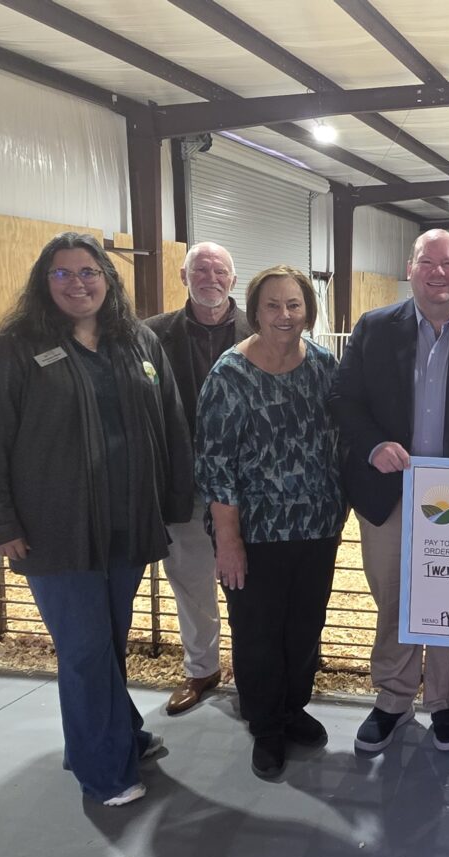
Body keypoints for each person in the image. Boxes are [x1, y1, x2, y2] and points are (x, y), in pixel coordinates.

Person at [0, 232, 192, 807]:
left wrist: (174, 500)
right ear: (44, 283)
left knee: (107, 643)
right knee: (85, 649)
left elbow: (171, 422)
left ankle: (111, 736)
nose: (78, 283)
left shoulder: (138, 341)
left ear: (108, 280)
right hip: (54, 528)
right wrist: (0, 524)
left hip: (126, 523)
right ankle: (105, 773)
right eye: (63, 273)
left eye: (89, 272)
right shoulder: (18, 348)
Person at [330, 229, 449, 755]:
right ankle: (393, 699)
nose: (439, 272)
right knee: (393, 596)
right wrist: (373, 445)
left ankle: (443, 700)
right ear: (410, 270)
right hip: (389, 492)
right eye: (427, 262)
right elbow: (344, 399)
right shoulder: (374, 328)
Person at [197, 265, 344, 781]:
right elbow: (214, 465)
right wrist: (228, 541)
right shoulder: (229, 376)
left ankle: (292, 707)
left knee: (304, 626)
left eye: (294, 304)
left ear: (308, 310)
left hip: (317, 526)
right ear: (255, 311)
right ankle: (265, 724)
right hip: (255, 533)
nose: (285, 315)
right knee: (258, 632)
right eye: (273, 305)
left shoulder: (324, 366)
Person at [143, 241, 251, 716]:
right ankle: (202, 668)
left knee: (250, 585)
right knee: (190, 581)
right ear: (183, 276)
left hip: (249, 488)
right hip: (183, 484)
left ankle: (251, 670)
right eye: (200, 270)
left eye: (219, 270)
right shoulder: (149, 336)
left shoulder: (260, 330)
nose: (211, 278)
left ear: (233, 279)